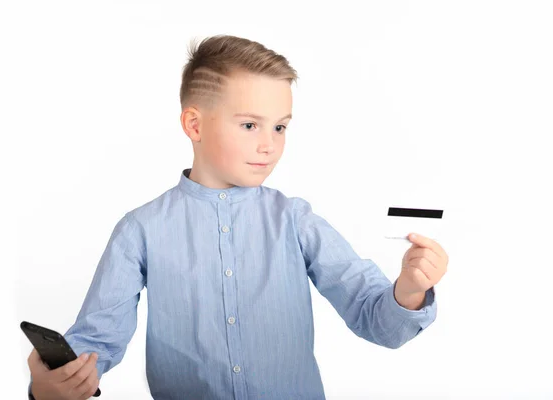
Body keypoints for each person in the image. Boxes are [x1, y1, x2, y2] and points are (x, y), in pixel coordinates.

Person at [26, 34, 448, 400]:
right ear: (194, 124)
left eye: (280, 127)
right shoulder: (141, 230)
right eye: (250, 125)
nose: (269, 145)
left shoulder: (295, 221)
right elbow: (95, 342)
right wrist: (53, 385)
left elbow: (375, 318)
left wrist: (409, 289)